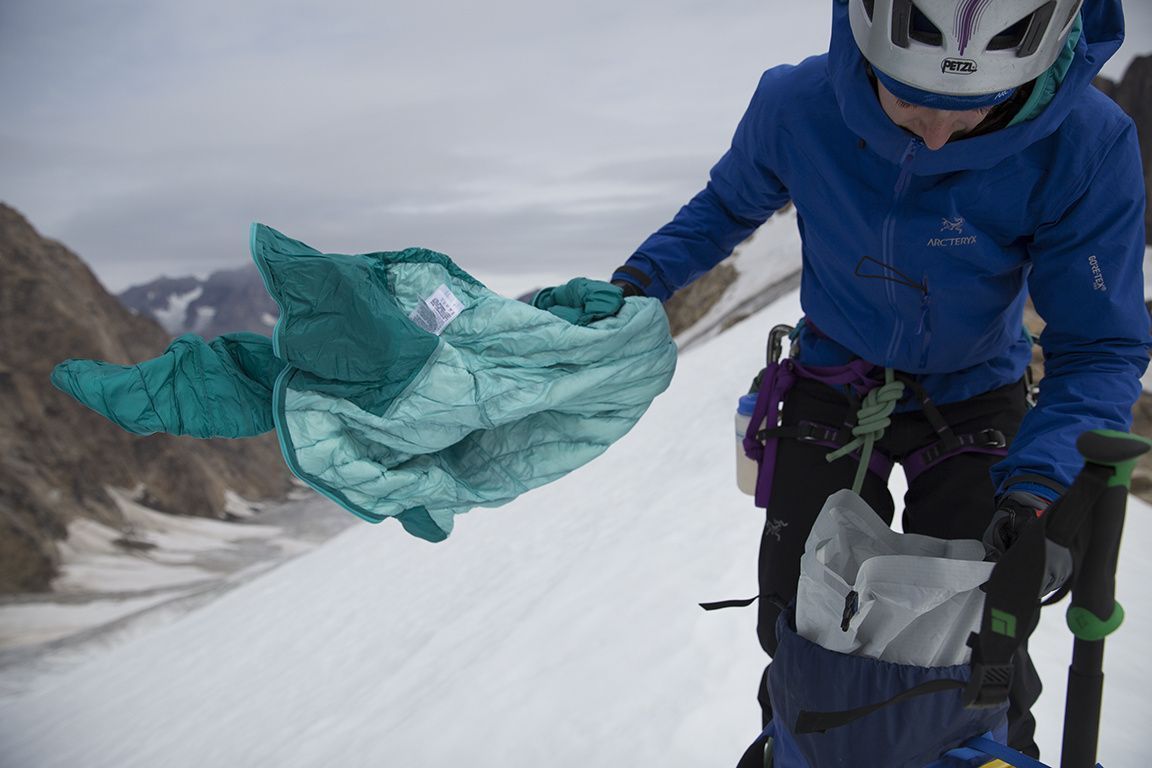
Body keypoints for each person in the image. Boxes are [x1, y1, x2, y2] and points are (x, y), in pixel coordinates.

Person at [607, 0, 1149, 756]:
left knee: (979, 638)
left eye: (975, 110)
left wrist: (1040, 490)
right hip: (835, 378)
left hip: (972, 396)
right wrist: (637, 282)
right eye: (909, 99)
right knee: (796, 621)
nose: (932, 135)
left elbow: (1097, 345)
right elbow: (728, 205)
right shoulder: (797, 106)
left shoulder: (1083, 144)